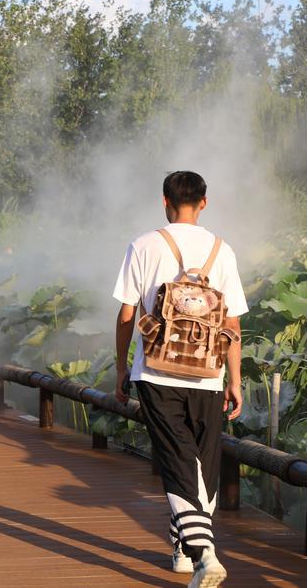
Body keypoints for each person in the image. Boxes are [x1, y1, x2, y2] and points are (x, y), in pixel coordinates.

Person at [112, 171, 246, 588]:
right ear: (204, 202)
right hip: (208, 374)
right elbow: (232, 324)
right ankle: (185, 548)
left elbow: (127, 314)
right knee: (201, 466)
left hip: (155, 371)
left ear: (164, 201)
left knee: (176, 459)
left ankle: (202, 553)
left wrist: (121, 366)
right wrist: (235, 379)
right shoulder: (222, 251)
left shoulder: (145, 244)